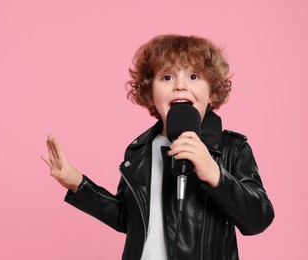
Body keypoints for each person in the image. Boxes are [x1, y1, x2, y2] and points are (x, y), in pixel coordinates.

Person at [41, 34, 274, 260]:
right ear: (150, 93)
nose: (180, 86)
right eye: (167, 77)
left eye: (194, 77)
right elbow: (128, 219)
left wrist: (214, 173)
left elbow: (258, 219)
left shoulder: (232, 149)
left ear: (212, 93)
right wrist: (77, 184)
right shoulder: (139, 151)